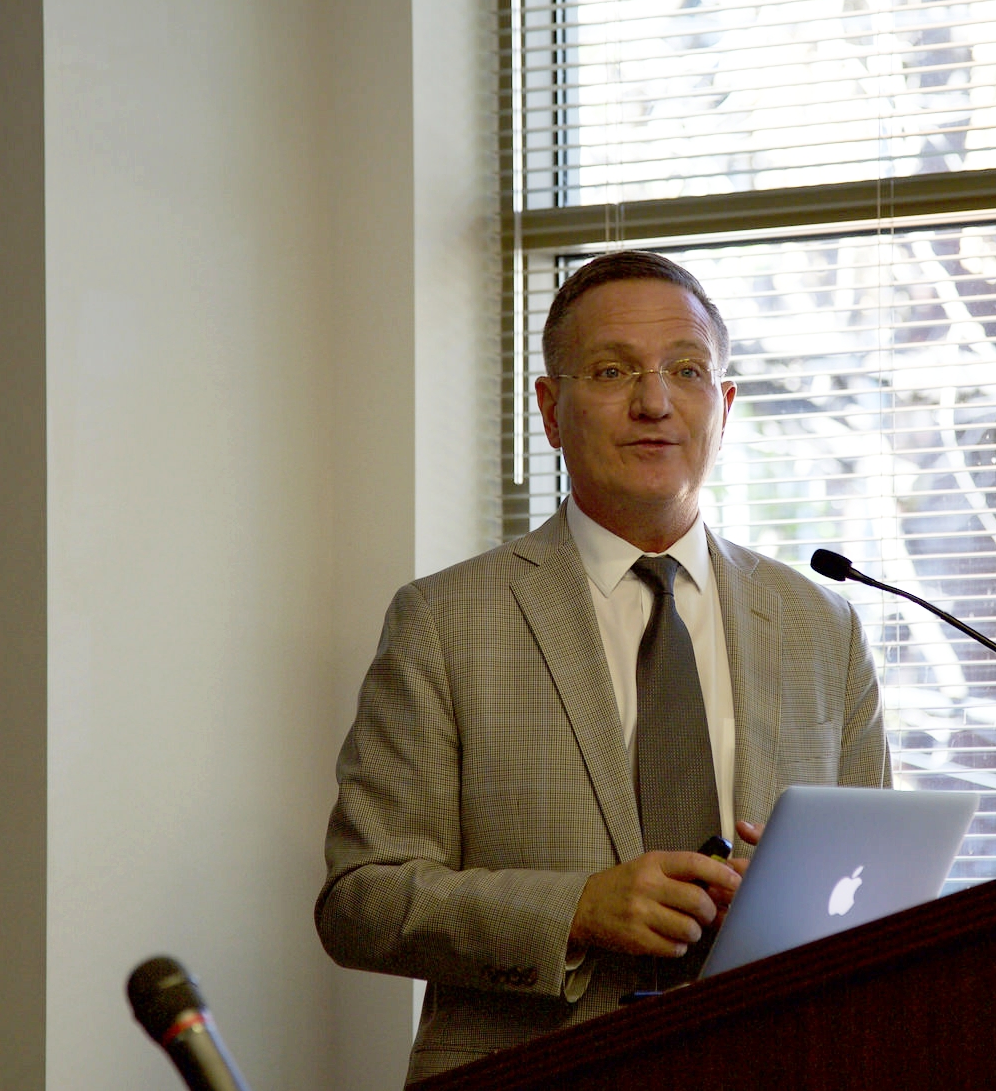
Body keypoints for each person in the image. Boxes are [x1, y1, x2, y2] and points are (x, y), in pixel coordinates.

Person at [316, 251, 890, 1082]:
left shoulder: (821, 624)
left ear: (722, 406)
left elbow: (881, 891)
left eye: (686, 370)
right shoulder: (443, 620)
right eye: (613, 369)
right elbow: (360, 900)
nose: (654, 402)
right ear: (550, 410)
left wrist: (797, 895)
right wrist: (574, 910)